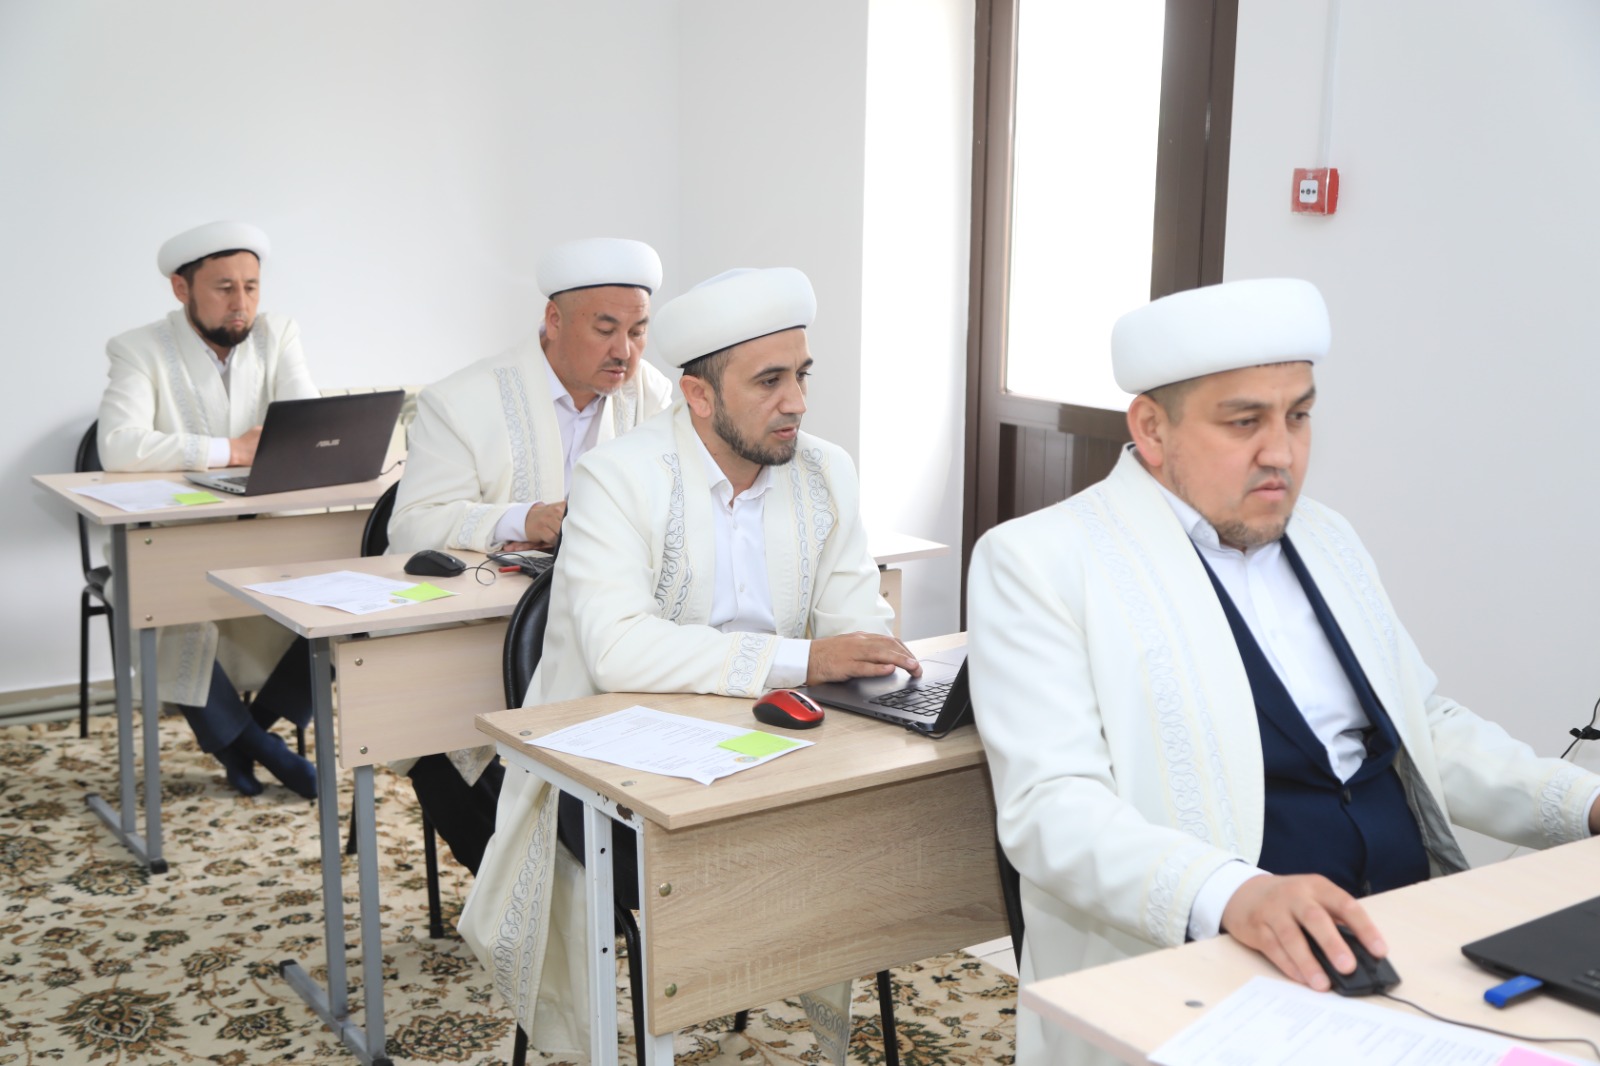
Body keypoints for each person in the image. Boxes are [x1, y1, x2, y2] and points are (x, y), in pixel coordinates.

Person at [967, 277, 1600, 1066]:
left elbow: (1425, 729)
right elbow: (1053, 809)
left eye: (1298, 415)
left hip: (1407, 939)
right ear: (1152, 428)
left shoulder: (1329, 537)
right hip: (1208, 973)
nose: (1282, 452)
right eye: (1245, 422)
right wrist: (1237, 893)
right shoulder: (1040, 561)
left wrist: (1584, 803)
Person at [460, 266, 918, 1059]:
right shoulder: (617, 477)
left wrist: (873, 658)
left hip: (779, 753)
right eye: (769, 381)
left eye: (802, 375)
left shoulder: (826, 471)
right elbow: (617, 649)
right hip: (622, 777)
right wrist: (804, 658)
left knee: (883, 827)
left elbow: (856, 621)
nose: (797, 403)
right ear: (699, 395)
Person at [386, 237, 673, 874]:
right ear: (553, 320)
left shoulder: (655, 397)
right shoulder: (462, 400)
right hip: (477, 643)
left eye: (638, 332)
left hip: (610, 638)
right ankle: (532, 901)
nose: (624, 352)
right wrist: (524, 518)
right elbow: (409, 529)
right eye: (605, 329)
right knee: (469, 781)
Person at [97, 221, 318, 799]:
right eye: (224, 288)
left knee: (346, 593)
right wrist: (230, 451)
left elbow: (307, 424)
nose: (241, 303)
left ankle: (244, 738)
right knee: (161, 599)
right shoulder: (138, 348)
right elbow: (117, 445)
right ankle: (266, 749)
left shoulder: (278, 334)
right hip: (172, 539)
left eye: (251, 286)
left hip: (263, 535)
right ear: (181, 288)